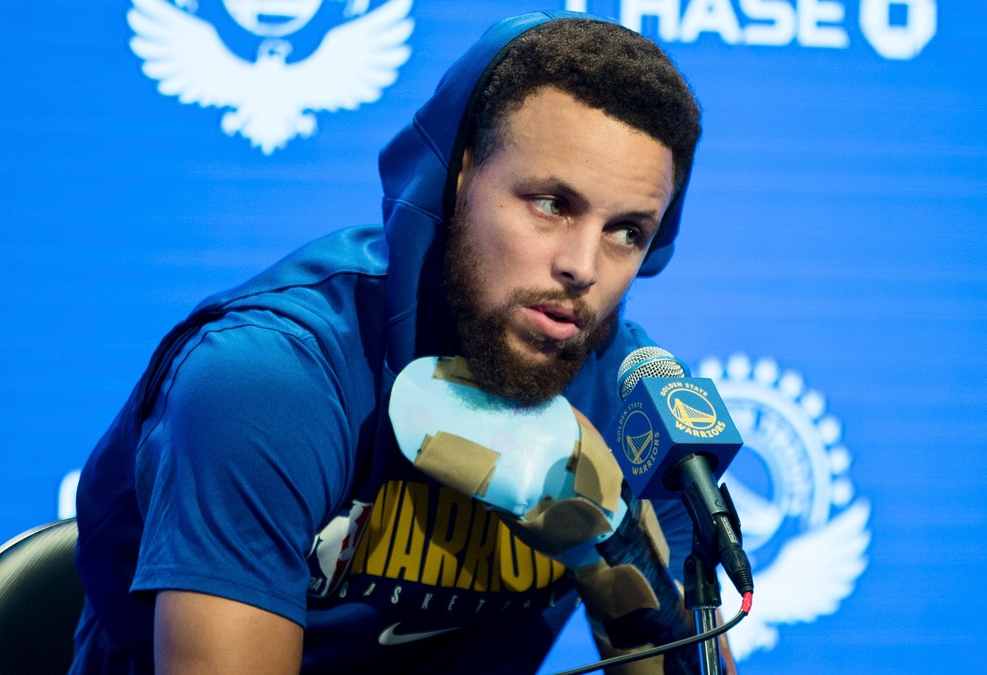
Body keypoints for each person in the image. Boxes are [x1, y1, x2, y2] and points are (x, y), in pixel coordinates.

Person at [71, 10, 725, 675]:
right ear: (458, 176)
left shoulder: (636, 412)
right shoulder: (272, 379)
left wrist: (622, 558)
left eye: (628, 232)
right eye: (551, 203)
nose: (583, 266)